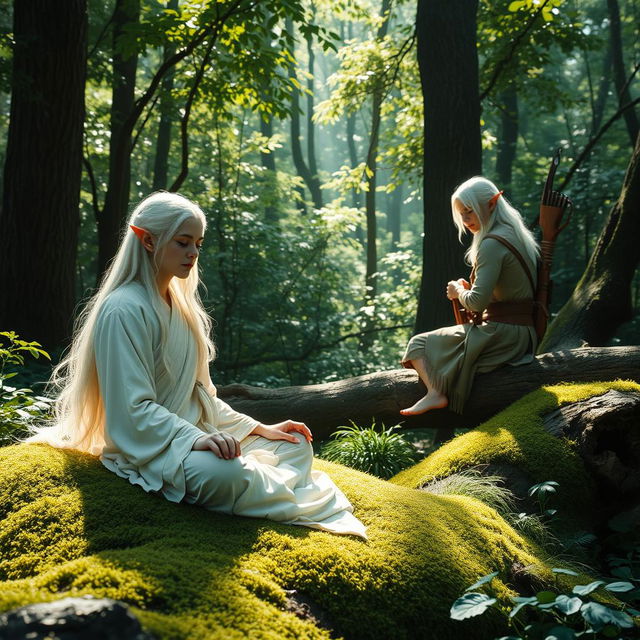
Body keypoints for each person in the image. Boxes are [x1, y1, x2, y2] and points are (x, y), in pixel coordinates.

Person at [28, 191, 366, 539]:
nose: (193, 253)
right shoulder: (123, 310)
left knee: (293, 445)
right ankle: (260, 482)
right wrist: (192, 439)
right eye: (183, 242)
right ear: (147, 241)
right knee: (226, 475)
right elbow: (132, 410)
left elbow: (201, 396)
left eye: (198, 244)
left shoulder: (182, 307)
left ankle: (257, 481)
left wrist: (255, 428)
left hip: (194, 436)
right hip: (151, 447)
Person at [400, 176, 539, 416]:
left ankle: (436, 394)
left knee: (418, 344)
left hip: (503, 335)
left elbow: (476, 302)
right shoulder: (514, 233)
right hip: (522, 333)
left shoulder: (491, 244)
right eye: (461, 214)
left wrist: (458, 291)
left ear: (492, 205)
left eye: (469, 212)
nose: (465, 221)